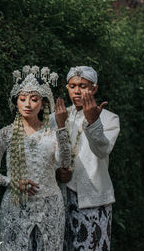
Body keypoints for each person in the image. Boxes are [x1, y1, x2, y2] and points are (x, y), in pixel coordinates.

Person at [0, 65, 71, 251]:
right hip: (16, 206)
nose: (28, 104)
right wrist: (12, 182)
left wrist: (62, 128)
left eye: (34, 99)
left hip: (50, 206)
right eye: (22, 99)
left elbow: (64, 163)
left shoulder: (53, 134)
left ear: (43, 103)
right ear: (16, 102)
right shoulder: (6, 134)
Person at [54, 66, 120, 251]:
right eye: (72, 85)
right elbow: (47, 155)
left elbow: (102, 150)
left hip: (93, 199)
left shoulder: (109, 118)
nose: (77, 90)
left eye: (83, 86)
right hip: (60, 198)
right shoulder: (57, 116)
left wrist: (93, 122)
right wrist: (57, 172)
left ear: (94, 89)